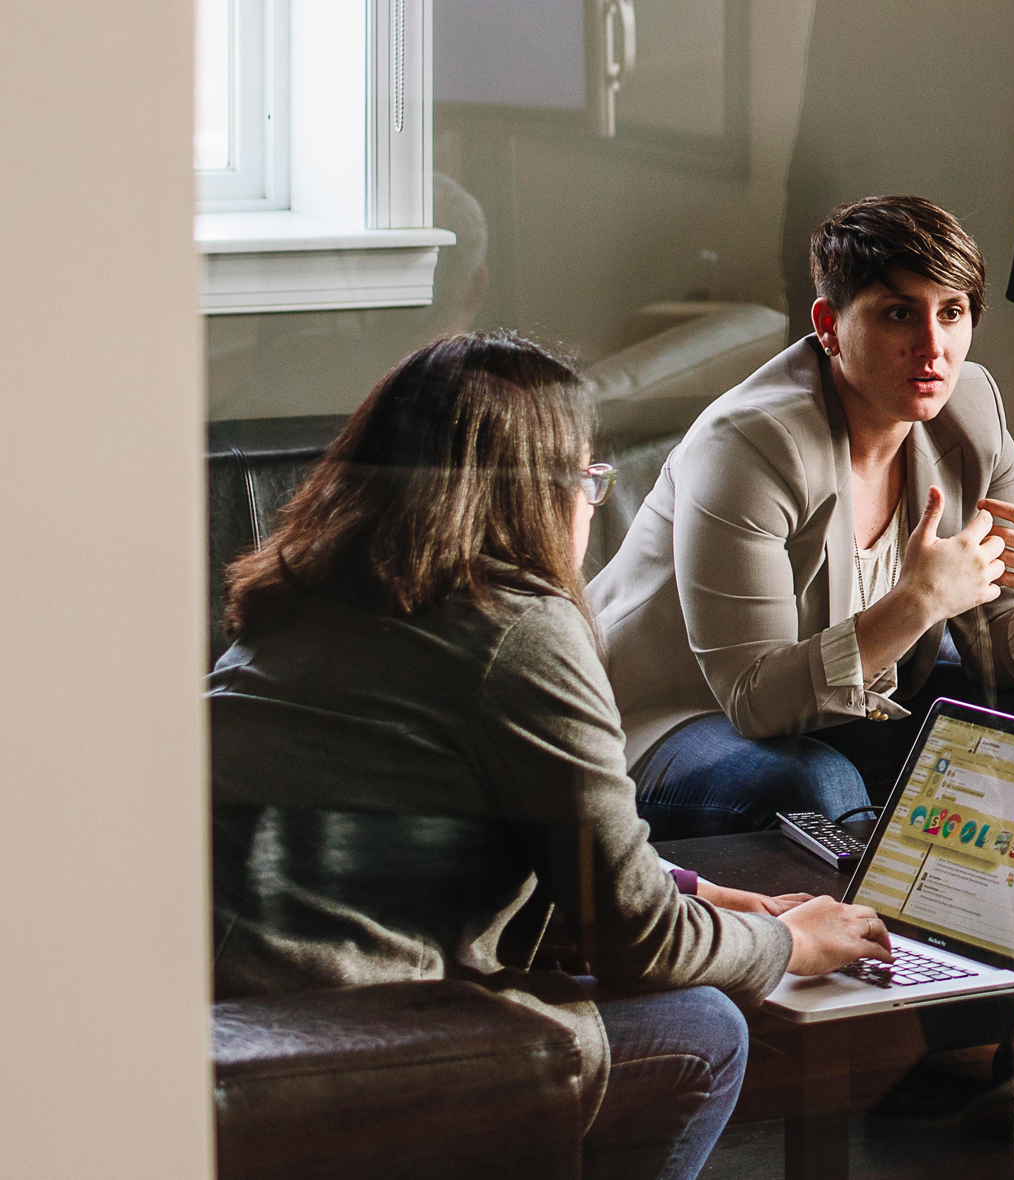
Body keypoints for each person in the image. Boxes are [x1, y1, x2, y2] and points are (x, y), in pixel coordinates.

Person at [210, 331, 894, 1180]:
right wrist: (789, 945)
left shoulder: (306, 589)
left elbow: (488, 840)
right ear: (536, 492)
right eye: (586, 477)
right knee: (702, 1032)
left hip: (206, 1004)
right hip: (327, 1028)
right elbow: (634, 941)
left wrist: (695, 892)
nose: (590, 502)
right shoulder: (520, 627)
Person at [586, 195, 1014, 1149]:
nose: (931, 346)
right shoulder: (751, 445)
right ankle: (917, 1037)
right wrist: (915, 605)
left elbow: (1013, 658)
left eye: (952, 312)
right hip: (670, 721)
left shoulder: (968, 406)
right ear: (830, 325)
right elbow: (756, 699)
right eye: (898, 313)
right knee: (816, 781)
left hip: (859, 691)